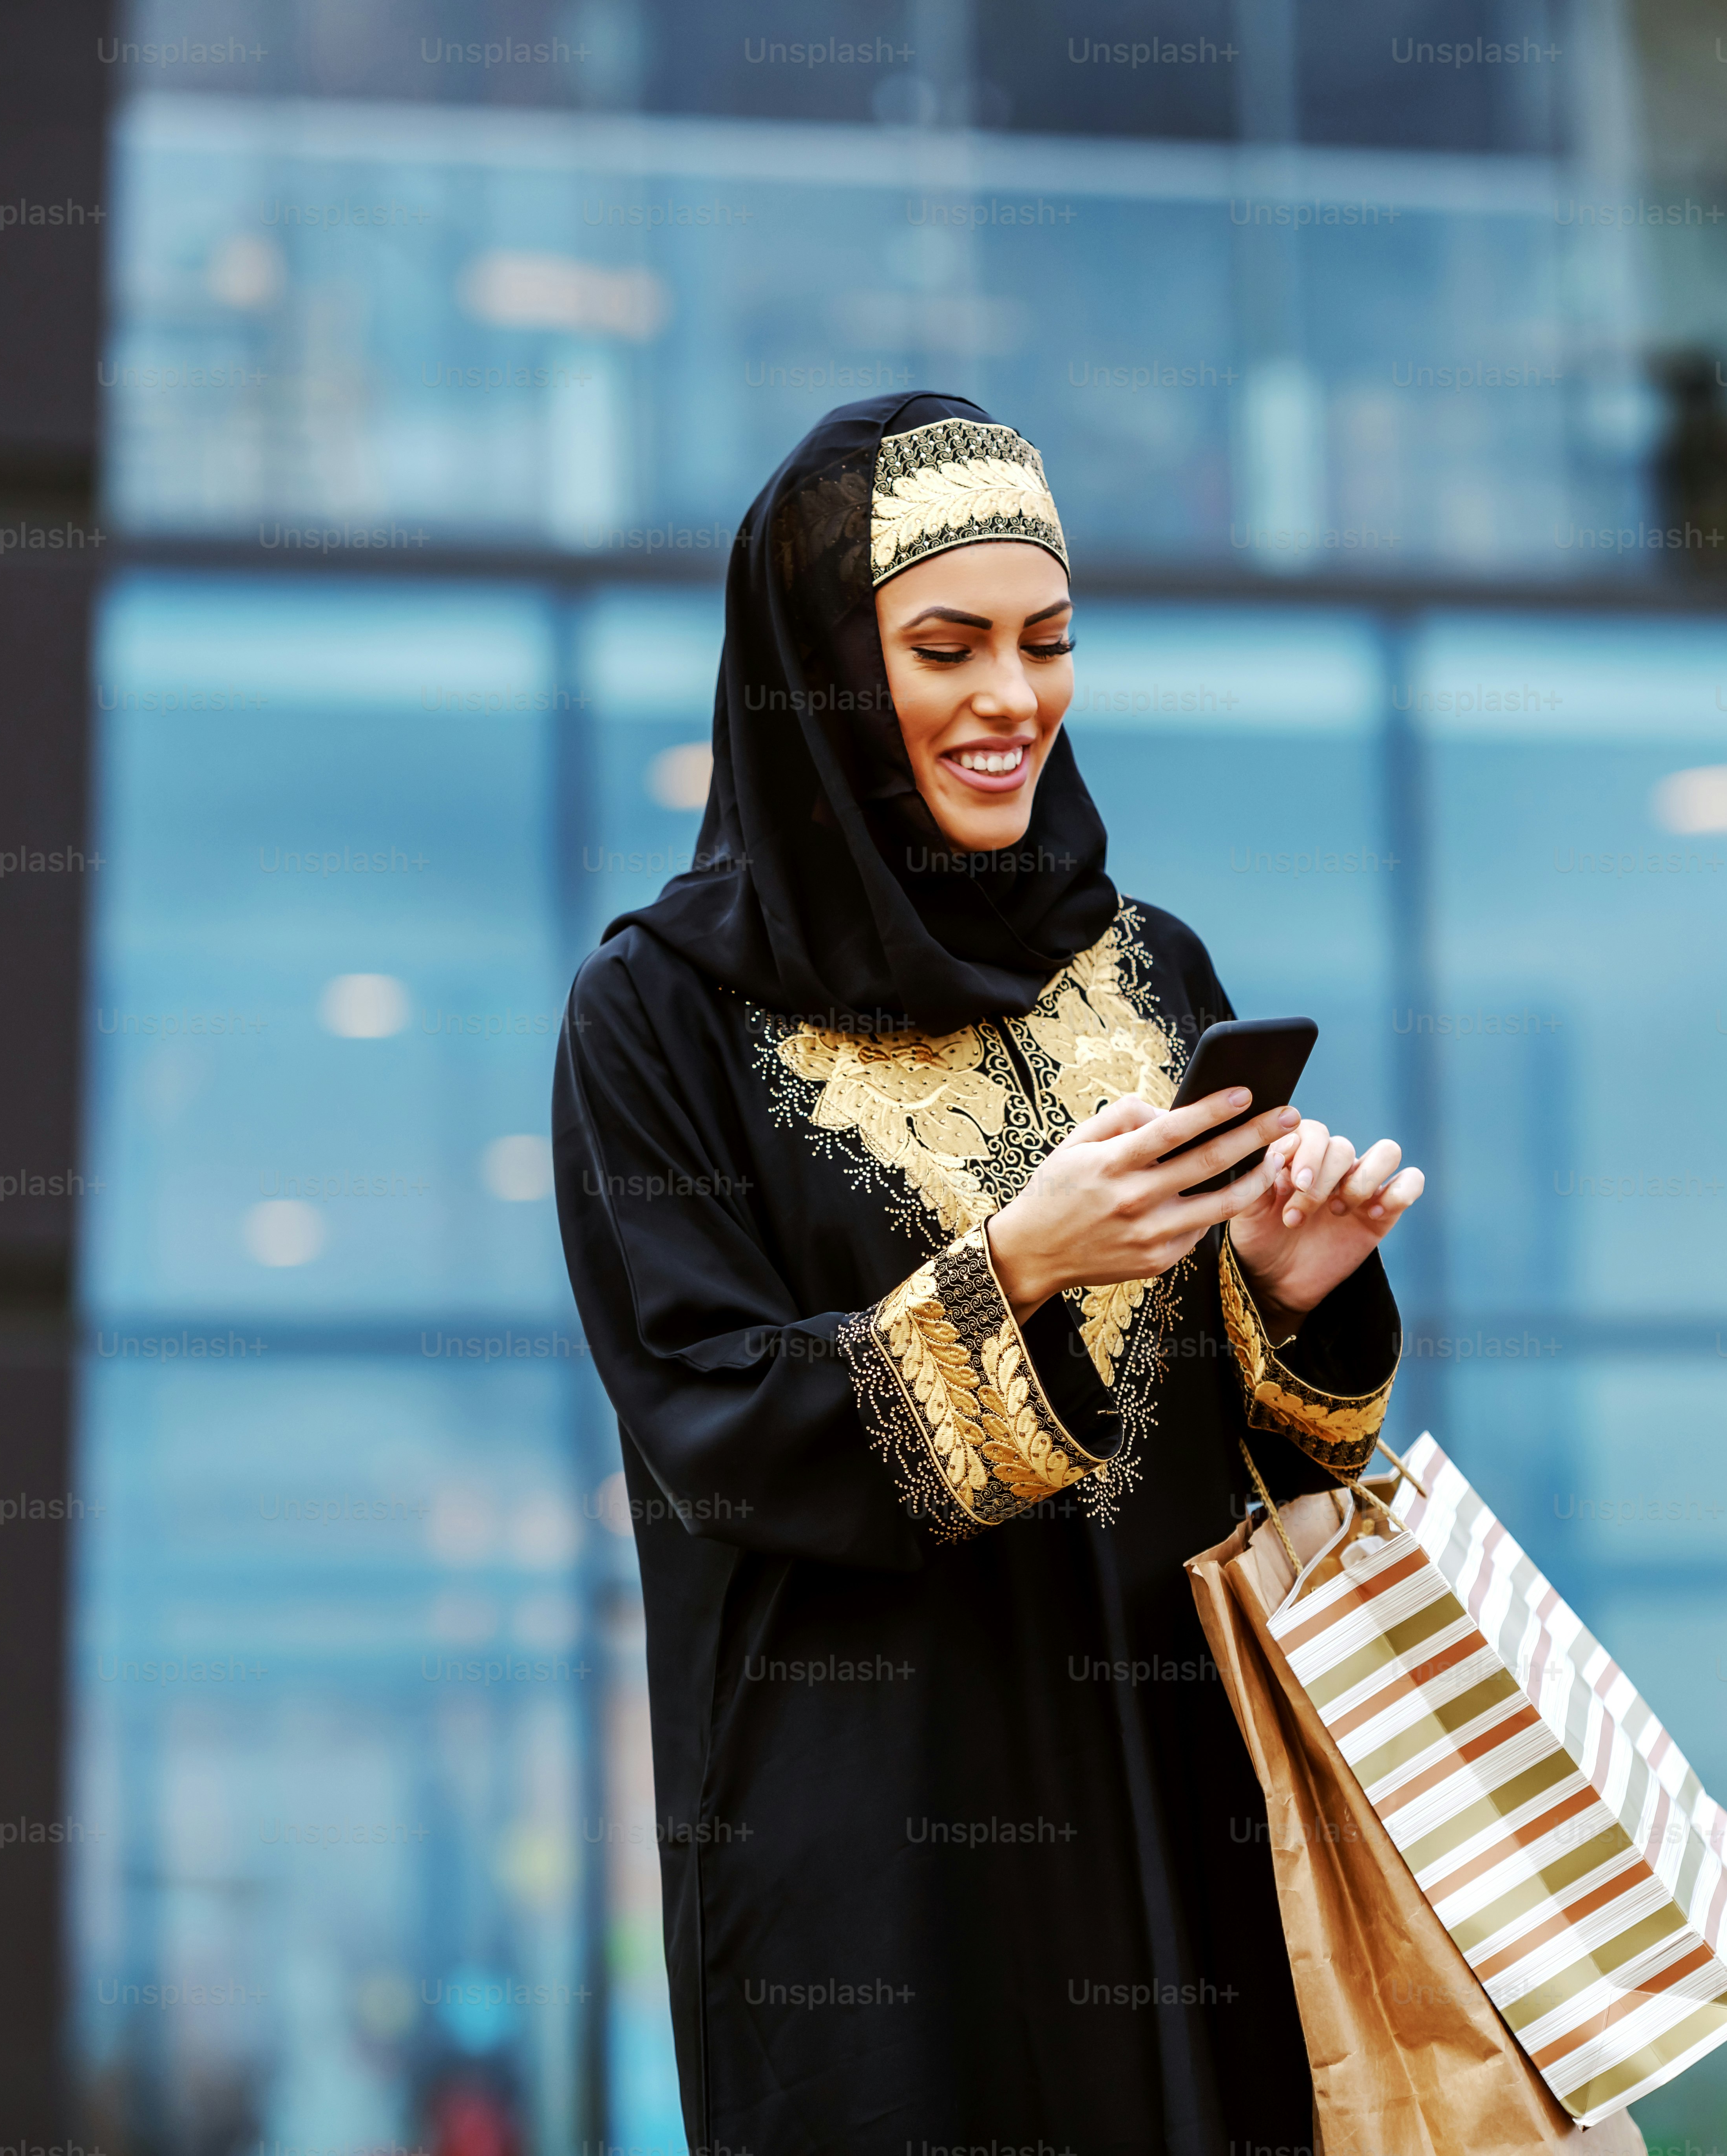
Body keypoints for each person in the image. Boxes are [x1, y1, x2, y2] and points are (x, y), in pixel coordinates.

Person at [553, 392, 1425, 2155]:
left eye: (1048, 643)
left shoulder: (1149, 964)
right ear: (820, 673)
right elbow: (711, 1420)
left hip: (1186, 1805)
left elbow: (1276, 1455)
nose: (1011, 699)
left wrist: (1293, 1289)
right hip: (876, 1844)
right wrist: (1013, 1266)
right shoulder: (659, 1017)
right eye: (945, 646)